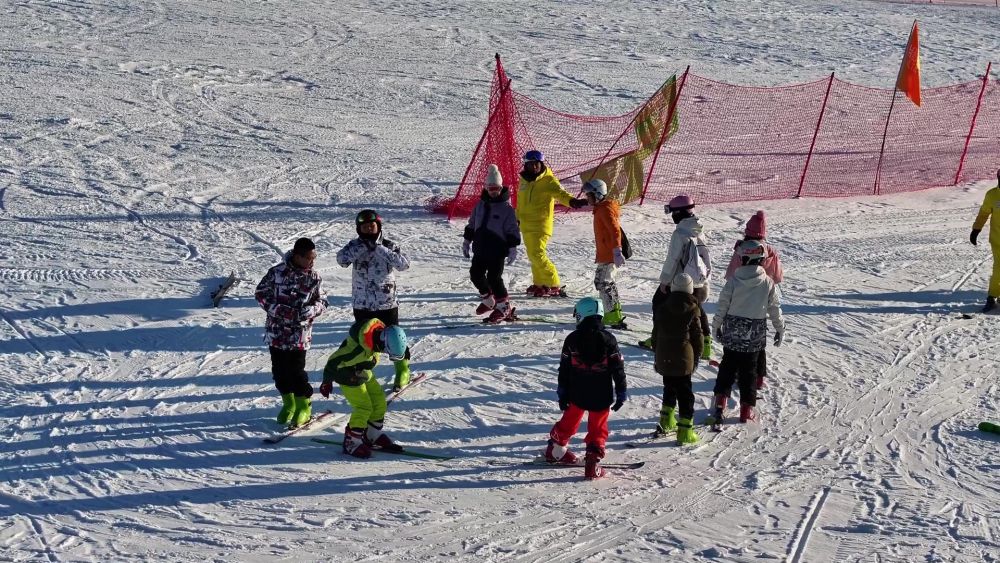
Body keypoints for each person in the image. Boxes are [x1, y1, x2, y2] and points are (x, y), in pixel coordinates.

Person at [544, 297, 628, 480]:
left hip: (577, 391)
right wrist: (621, 391)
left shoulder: (572, 339)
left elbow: (564, 367)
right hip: (601, 394)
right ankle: (593, 459)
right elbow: (618, 368)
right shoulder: (609, 340)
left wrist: (562, 392)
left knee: (570, 419)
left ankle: (555, 449)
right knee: (598, 428)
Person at [254, 237, 329, 427]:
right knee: (279, 372)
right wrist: (278, 310)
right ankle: (289, 403)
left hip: (299, 335)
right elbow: (261, 293)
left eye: (314, 258)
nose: (312, 262)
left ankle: (304, 405)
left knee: (296, 372)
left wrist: (310, 311)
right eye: (309, 258)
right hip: (277, 333)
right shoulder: (277, 273)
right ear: (297, 256)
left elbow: (323, 302)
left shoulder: (314, 277)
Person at [710, 240, 784, 424]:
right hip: (754, 334)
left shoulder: (733, 281)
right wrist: (779, 328)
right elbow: (774, 308)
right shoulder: (767, 283)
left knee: (727, 366)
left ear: (742, 258)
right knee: (749, 371)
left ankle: (720, 401)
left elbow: (722, 307)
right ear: (761, 260)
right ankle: (745, 409)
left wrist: (716, 326)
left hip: (733, 332)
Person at [337, 209, 413, 391]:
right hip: (362, 303)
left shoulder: (388, 245)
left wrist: (380, 249)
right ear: (359, 229)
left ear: (378, 226)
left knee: (395, 338)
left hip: (385, 302)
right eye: (364, 227)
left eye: (372, 226)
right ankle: (363, 369)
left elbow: (404, 264)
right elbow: (341, 259)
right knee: (364, 339)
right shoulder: (354, 246)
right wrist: (362, 247)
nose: (369, 230)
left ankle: (402, 369)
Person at [319, 319, 408, 459]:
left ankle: (372, 435)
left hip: (362, 371)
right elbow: (334, 361)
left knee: (379, 402)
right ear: (383, 343)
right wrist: (327, 381)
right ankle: (351, 442)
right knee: (364, 407)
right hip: (346, 375)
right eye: (386, 350)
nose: (384, 353)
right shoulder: (357, 350)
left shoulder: (374, 340)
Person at [639, 194, 712, 359]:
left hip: (680, 282)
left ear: (679, 213)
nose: (672, 216)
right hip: (698, 282)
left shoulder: (680, 233)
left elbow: (672, 260)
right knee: (697, 309)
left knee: (658, 302)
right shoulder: (698, 229)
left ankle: (657, 339)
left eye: (673, 212)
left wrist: (665, 282)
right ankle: (705, 343)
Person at [724, 210, 784, 391]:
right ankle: (759, 377)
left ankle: (735, 373)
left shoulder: (742, 249)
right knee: (758, 341)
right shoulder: (770, 251)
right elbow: (777, 276)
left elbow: (732, 274)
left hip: (741, 300)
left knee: (738, 341)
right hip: (761, 299)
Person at [516, 150, 589, 298]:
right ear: (526, 165)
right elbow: (520, 202)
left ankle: (553, 283)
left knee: (538, 254)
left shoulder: (549, 180)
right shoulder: (523, 180)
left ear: (541, 164)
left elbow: (561, 194)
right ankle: (539, 283)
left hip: (540, 224)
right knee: (532, 255)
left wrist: (572, 201)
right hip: (525, 224)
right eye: (531, 164)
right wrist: (516, 217)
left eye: (537, 164)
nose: (534, 167)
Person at [463, 164, 521, 323]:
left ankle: (503, 306)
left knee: (494, 278)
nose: (493, 192)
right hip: (480, 249)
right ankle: (489, 300)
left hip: (497, 251)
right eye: (490, 188)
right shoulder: (479, 205)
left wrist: (513, 246)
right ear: (486, 188)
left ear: (501, 188)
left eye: (496, 188)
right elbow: (472, 223)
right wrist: (467, 240)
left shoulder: (507, 209)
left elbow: (512, 229)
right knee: (475, 274)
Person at [651, 273, 703, 445]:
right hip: (683, 358)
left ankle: (666, 420)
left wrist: (657, 353)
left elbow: (655, 334)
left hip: (664, 356)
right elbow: (697, 337)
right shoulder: (693, 309)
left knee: (669, 387)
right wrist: (697, 357)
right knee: (685, 393)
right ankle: (685, 430)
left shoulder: (663, 307)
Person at [582, 178, 627, 329]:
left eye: (589, 195)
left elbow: (615, 230)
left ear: (598, 194)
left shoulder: (605, 209)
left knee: (604, 283)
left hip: (609, 255)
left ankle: (613, 315)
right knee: (604, 282)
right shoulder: (600, 208)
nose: (587, 198)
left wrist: (617, 250)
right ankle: (614, 313)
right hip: (605, 254)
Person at [970, 169, 1000, 313]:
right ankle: (992, 297)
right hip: (998, 239)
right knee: (999, 268)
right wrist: (976, 229)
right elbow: (984, 213)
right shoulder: (993, 195)